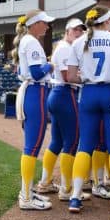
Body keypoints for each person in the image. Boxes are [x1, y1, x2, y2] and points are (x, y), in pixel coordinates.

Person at [66, 8, 110, 213]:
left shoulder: (78, 42)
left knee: (85, 145)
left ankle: (75, 196)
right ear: (107, 21)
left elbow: (71, 77)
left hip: (89, 92)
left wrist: (86, 77)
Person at [34, 18, 86, 201]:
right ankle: (67, 189)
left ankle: (45, 182)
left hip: (58, 95)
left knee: (56, 141)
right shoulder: (65, 48)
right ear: (67, 31)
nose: (78, 33)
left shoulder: (65, 47)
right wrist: (87, 76)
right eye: (75, 30)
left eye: (81, 30)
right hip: (65, 94)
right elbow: (67, 77)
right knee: (71, 141)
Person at [12, 9, 56, 211]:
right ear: (35, 24)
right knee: (32, 146)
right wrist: (51, 65)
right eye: (44, 23)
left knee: (33, 145)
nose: (47, 26)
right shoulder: (31, 41)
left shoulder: (27, 41)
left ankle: (27, 191)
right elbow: (38, 73)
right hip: (35, 92)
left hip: (32, 92)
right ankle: (26, 196)